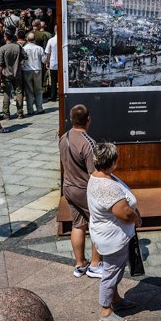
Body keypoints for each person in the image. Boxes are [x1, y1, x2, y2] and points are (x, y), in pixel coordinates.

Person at [87, 142, 141, 321]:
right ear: (112, 162)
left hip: (108, 234)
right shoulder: (107, 187)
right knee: (110, 273)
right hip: (112, 238)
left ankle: (115, 299)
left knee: (115, 269)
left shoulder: (98, 176)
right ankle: (105, 311)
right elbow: (124, 214)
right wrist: (136, 219)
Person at [59, 104, 103, 279]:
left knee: (77, 224)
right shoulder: (89, 143)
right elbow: (94, 173)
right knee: (97, 225)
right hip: (84, 190)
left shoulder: (63, 138)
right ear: (88, 120)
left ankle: (79, 264)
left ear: (71, 119)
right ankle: (95, 264)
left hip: (68, 188)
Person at [0, 32, 25, 120]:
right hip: (17, 73)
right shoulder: (18, 47)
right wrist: (20, 64)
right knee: (19, 92)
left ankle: (6, 114)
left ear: (6, 37)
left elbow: (0, 63)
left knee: (6, 93)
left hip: (6, 73)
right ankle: (20, 112)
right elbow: (25, 57)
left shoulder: (3, 48)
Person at [21, 32, 45, 116]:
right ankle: (39, 108)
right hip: (37, 69)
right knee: (38, 90)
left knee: (29, 91)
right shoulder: (39, 48)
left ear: (27, 39)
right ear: (34, 39)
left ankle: (30, 110)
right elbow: (44, 60)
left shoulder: (23, 48)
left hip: (27, 70)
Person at [45, 27, 59, 102]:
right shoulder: (64, 40)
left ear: (54, 30)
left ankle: (53, 96)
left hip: (53, 63)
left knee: (53, 81)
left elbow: (48, 53)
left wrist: (47, 62)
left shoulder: (51, 40)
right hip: (62, 64)